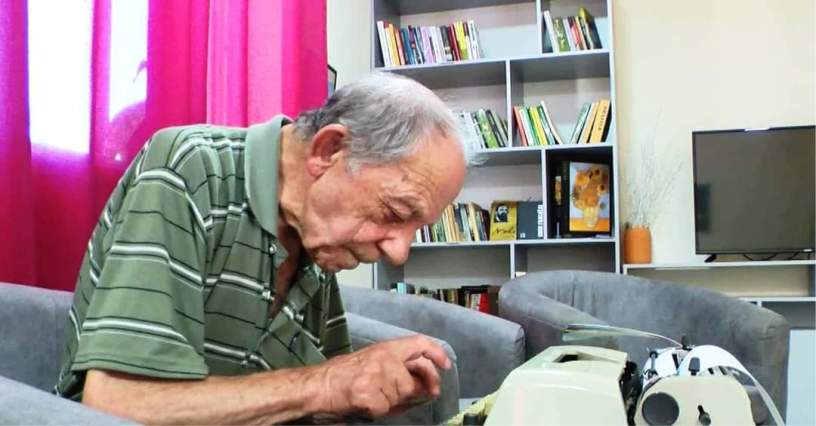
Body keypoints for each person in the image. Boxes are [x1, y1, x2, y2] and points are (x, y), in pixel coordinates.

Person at [54, 73, 471, 424]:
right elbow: (117, 404)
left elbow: (312, 399)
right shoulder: (191, 169)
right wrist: (327, 385)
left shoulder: (318, 242)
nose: (399, 253)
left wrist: (366, 392)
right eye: (394, 212)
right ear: (328, 151)